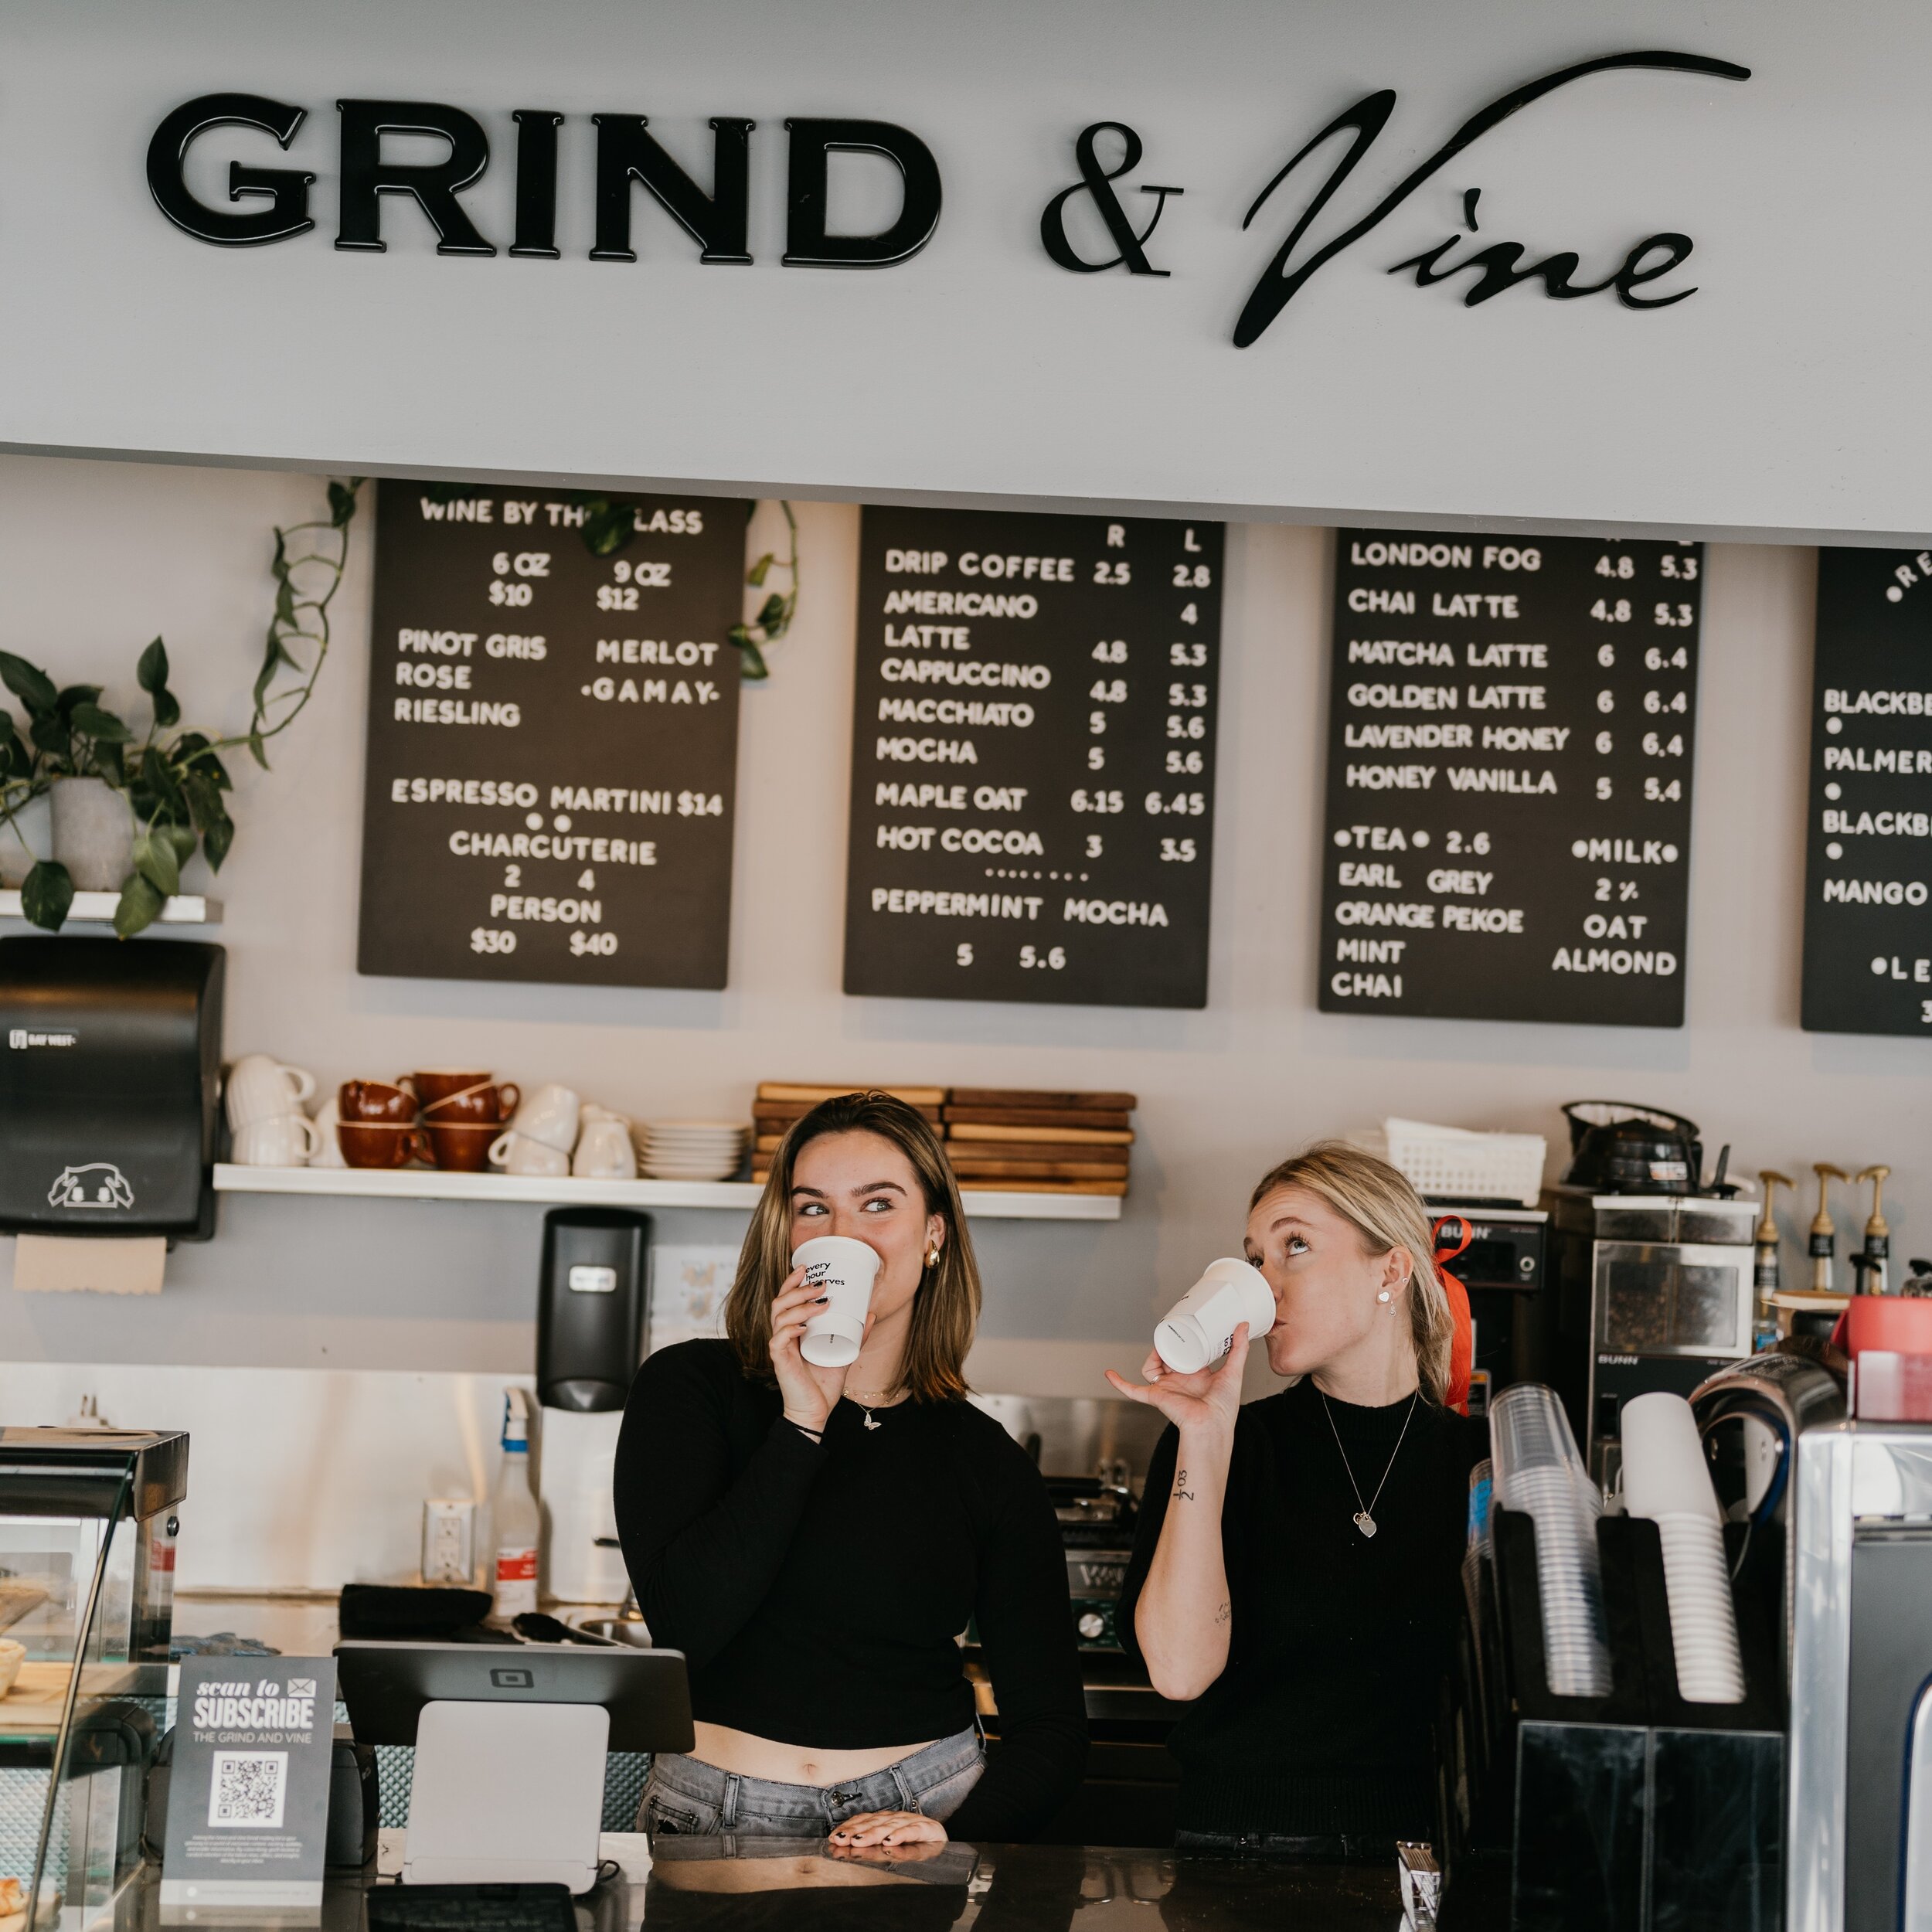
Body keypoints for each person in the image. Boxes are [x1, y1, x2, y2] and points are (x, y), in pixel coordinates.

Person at [614, 1090, 1087, 1848]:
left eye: (877, 1205)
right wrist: (803, 1420)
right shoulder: (690, 1388)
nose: (842, 1234)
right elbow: (685, 1628)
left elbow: (1051, 1725)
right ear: (785, 1236)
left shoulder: (984, 1458)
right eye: (812, 1208)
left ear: (933, 1233)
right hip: (716, 1817)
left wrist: (957, 1832)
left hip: (920, 1811)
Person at [1107, 1141, 1484, 1858]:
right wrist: (1203, 1441)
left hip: (1424, 1859)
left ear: (1392, 1270)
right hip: (1236, 1853)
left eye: (1296, 1247)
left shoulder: (1480, 1465)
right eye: (1254, 1260)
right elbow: (1181, 1674)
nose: (1265, 1283)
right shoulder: (1231, 1446)